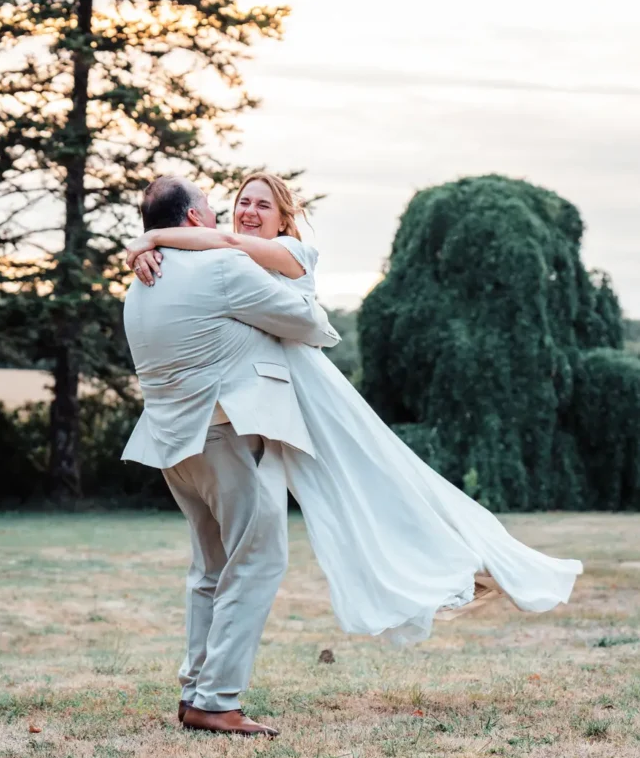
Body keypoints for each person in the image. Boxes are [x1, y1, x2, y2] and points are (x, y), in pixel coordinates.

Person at [127, 172, 583, 647]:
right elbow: (206, 260)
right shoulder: (217, 260)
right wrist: (150, 251)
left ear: (285, 219)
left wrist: (150, 238)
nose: (248, 213)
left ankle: (452, 559)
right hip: (267, 402)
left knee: (373, 475)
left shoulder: (286, 253)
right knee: (327, 506)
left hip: (308, 386)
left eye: (263, 206)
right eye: (243, 202)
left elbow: (219, 242)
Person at [122, 176, 340, 736]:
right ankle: (217, 700)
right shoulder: (220, 266)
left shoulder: (143, 282)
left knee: (210, 569)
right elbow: (309, 323)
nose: (226, 216)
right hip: (223, 435)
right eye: (216, 208)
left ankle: (196, 690)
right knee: (259, 559)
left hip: (174, 444)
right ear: (194, 219)